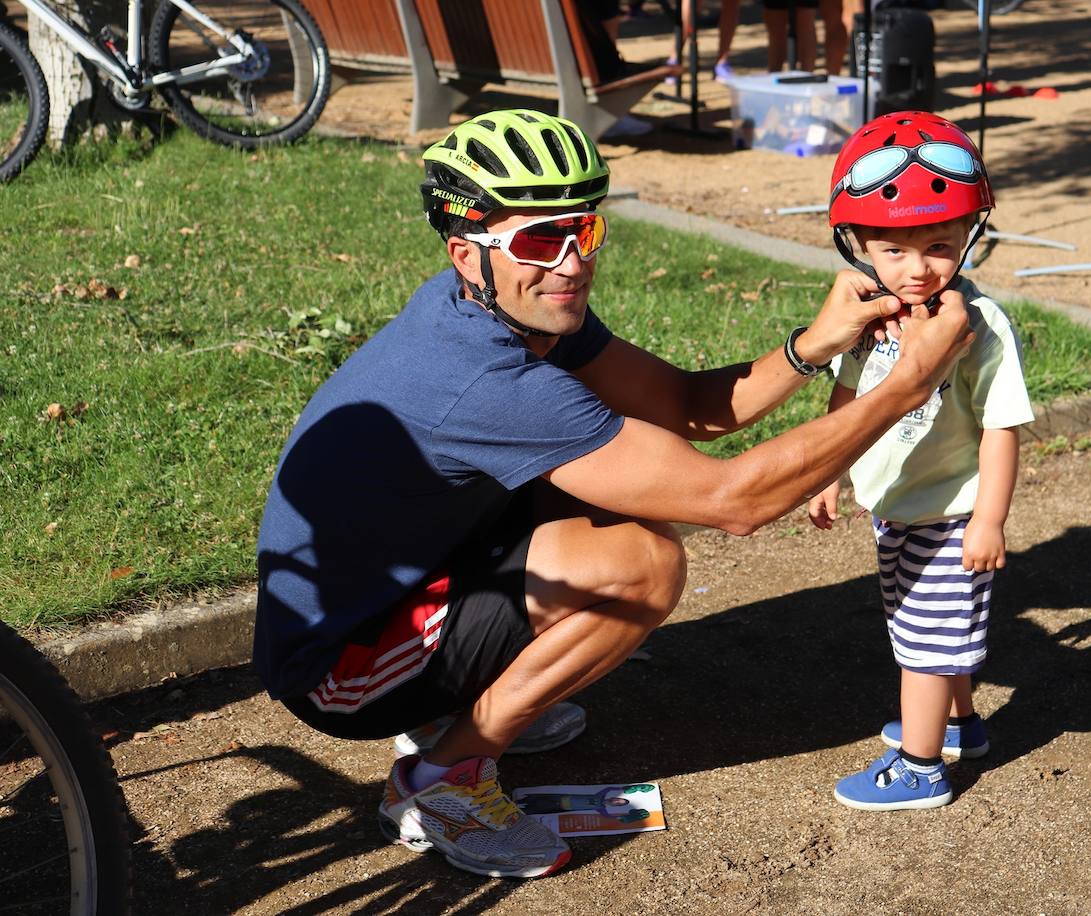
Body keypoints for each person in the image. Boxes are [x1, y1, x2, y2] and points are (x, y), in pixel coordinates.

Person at [254, 108, 974, 879]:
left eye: (583, 233)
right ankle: (444, 777)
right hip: (342, 672)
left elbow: (686, 407)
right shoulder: (485, 377)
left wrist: (812, 346)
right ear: (467, 253)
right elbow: (736, 501)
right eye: (539, 240)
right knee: (643, 564)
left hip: (406, 583)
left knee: (620, 495)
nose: (570, 263)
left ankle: (468, 704)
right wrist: (907, 384)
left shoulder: (508, 306)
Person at [807, 111, 1035, 810]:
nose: (917, 268)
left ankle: (919, 766)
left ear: (970, 237)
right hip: (896, 508)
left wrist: (989, 519)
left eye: (939, 245)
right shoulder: (869, 315)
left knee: (924, 648)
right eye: (893, 250)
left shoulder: (980, 327)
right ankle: (961, 726)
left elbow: (1002, 427)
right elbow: (847, 393)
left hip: (951, 514)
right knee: (924, 630)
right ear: (860, 246)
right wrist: (827, 471)